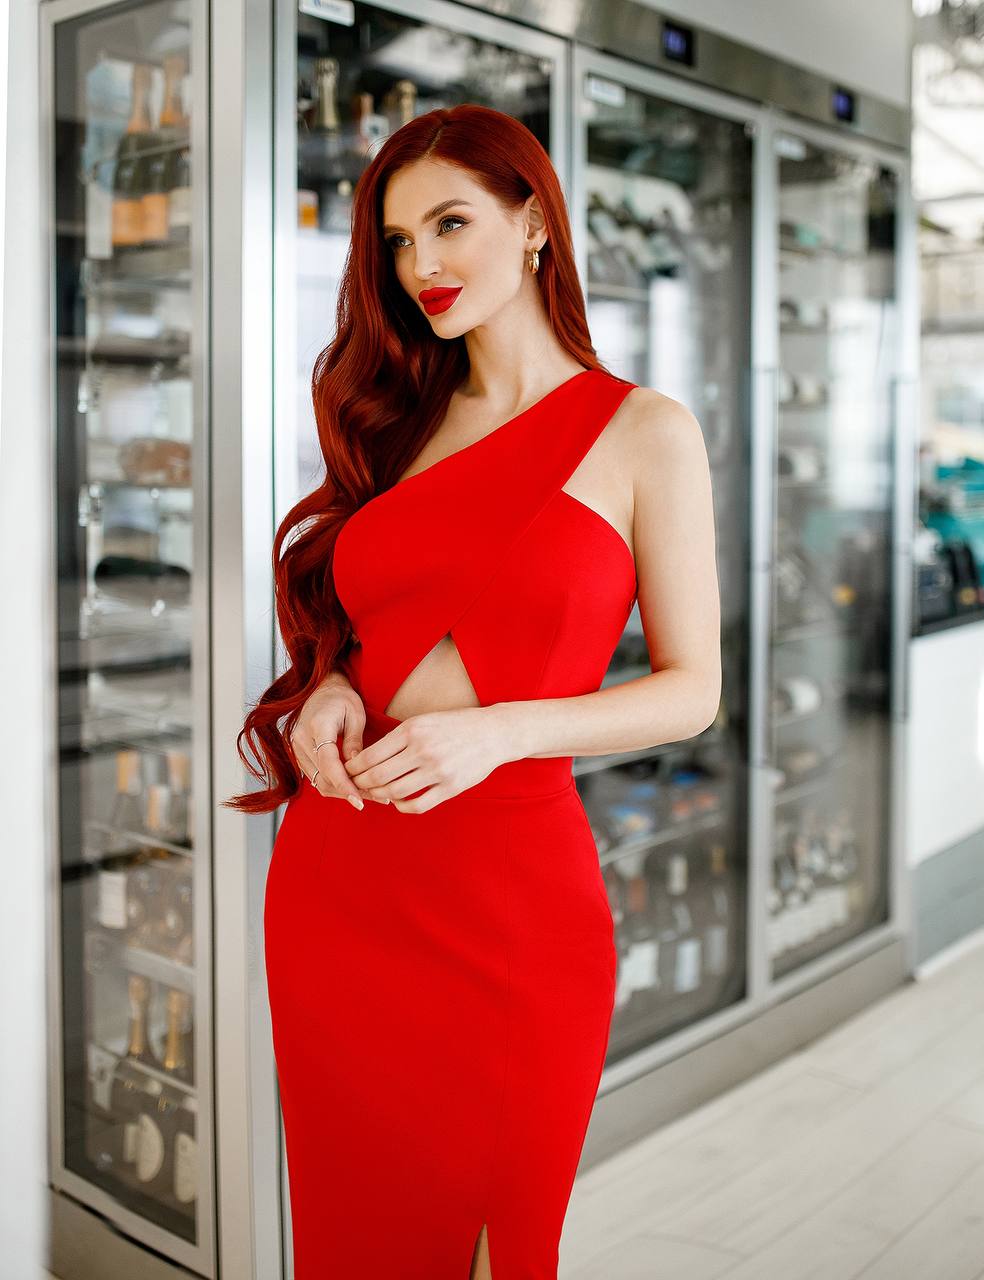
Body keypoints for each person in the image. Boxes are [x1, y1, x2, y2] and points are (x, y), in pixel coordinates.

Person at [226, 102, 720, 1278]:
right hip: (342, 875)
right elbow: (365, 623)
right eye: (399, 241)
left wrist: (500, 731)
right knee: (355, 1233)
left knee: (504, 1238)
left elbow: (690, 688)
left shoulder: (644, 432)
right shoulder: (394, 421)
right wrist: (330, 686)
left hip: (512, 900)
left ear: (534, 221)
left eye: (449, 223)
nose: (421, 266)